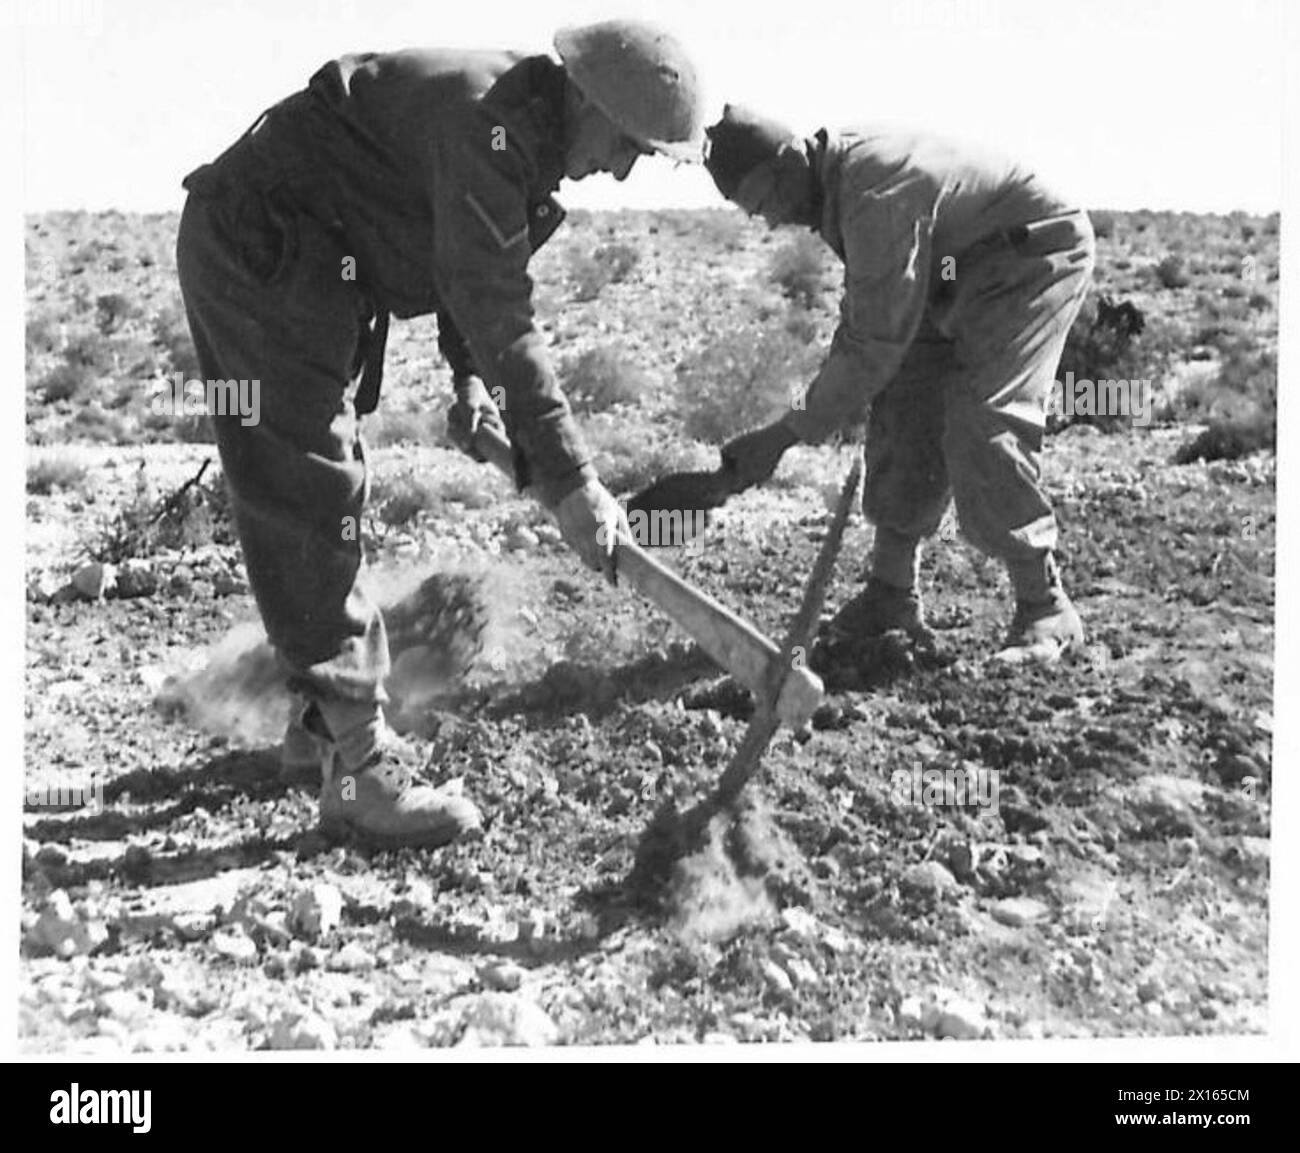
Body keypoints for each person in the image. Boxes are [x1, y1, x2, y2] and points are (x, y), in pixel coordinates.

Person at [175, 21, 702, 847]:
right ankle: (358, 771)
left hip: (312, 258)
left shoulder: (515, 131)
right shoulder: (481, 124)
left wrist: (469, 382)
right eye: (629, 143)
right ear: (589, 99)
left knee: (326, 477)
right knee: (314, 483)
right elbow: (496, 303)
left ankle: (319, 725)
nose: (625, 167)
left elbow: (468, 268)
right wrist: (571, 479)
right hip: (263, 247)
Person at [705, 105, 1095, 666]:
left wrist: (783, 436)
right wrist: (798, 421)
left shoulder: (874, 192)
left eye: (765, 202)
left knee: (982, 415)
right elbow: (870, 328)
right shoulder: (839, 182)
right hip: (954, 269)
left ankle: (1046, 606)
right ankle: (891, 594)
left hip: (1031, 256)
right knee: (903, 402)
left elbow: (871, 343)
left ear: (789, 160)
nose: (769, 220)